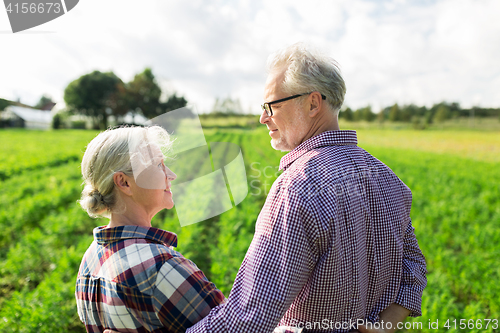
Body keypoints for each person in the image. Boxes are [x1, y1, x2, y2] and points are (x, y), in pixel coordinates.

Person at [185, 43, 427, 333]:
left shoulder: (297, 186)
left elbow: (249, 316)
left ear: (313, 103)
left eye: (272, 105)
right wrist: (385, 326)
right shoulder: (388, 178)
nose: (264, 117)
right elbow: (414, 265)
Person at [75, 126, 225, 333]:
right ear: (124, 182)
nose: (171, 175)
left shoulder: (90, 260)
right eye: (158, 165)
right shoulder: (162, 268)